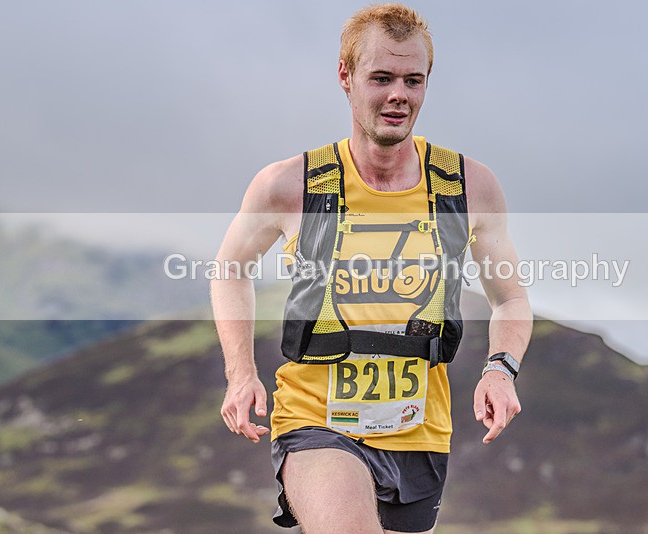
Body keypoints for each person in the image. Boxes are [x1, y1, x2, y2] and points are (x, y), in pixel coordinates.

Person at [211, 4, 532, 533]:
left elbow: (511, 298)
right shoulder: (290, 185)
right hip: (315, 422)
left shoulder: (468, 187)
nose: (398, 95)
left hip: (419, 433)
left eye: (413, 80)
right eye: (381, 78)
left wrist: (501, 370)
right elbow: (229, 270)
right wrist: (240, 372)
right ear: (346, 76)